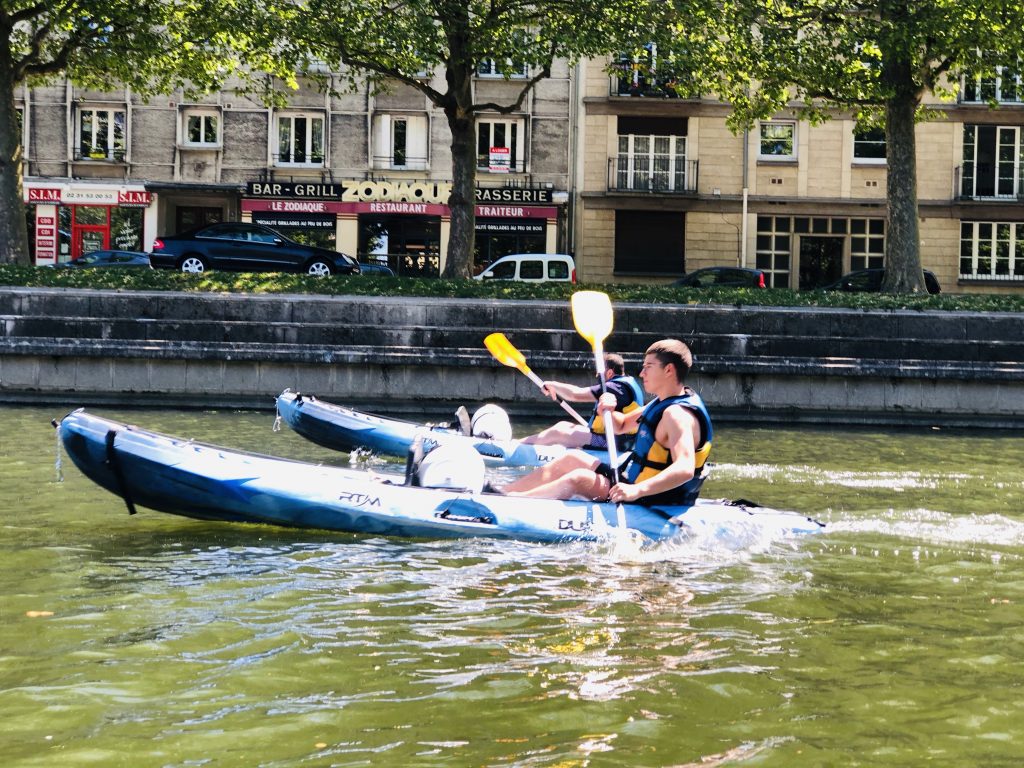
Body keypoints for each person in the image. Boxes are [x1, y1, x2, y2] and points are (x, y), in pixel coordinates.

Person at [499, 339, 712, 506]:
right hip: (631, 479)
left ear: (669, 370)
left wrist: (636, 491)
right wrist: (606, 410)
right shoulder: (660, 402)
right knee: (571, 457)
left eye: (648, 367)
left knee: (580, 478)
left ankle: (515, 503)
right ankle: (502, 493)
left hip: (653, 495)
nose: (641, 373)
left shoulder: (677, 415)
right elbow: (620, 425)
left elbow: (684, 469)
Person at [518, 353, 644, 450]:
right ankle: (523, 443)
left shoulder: (614, 387)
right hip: (623, 441)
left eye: (600, 372)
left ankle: (516, 446)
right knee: (563, 425)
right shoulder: (627, 383)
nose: (597, 375)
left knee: (557, 433)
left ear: (610, 372)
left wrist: (552, 384)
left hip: (613, 443)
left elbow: (575, 394)